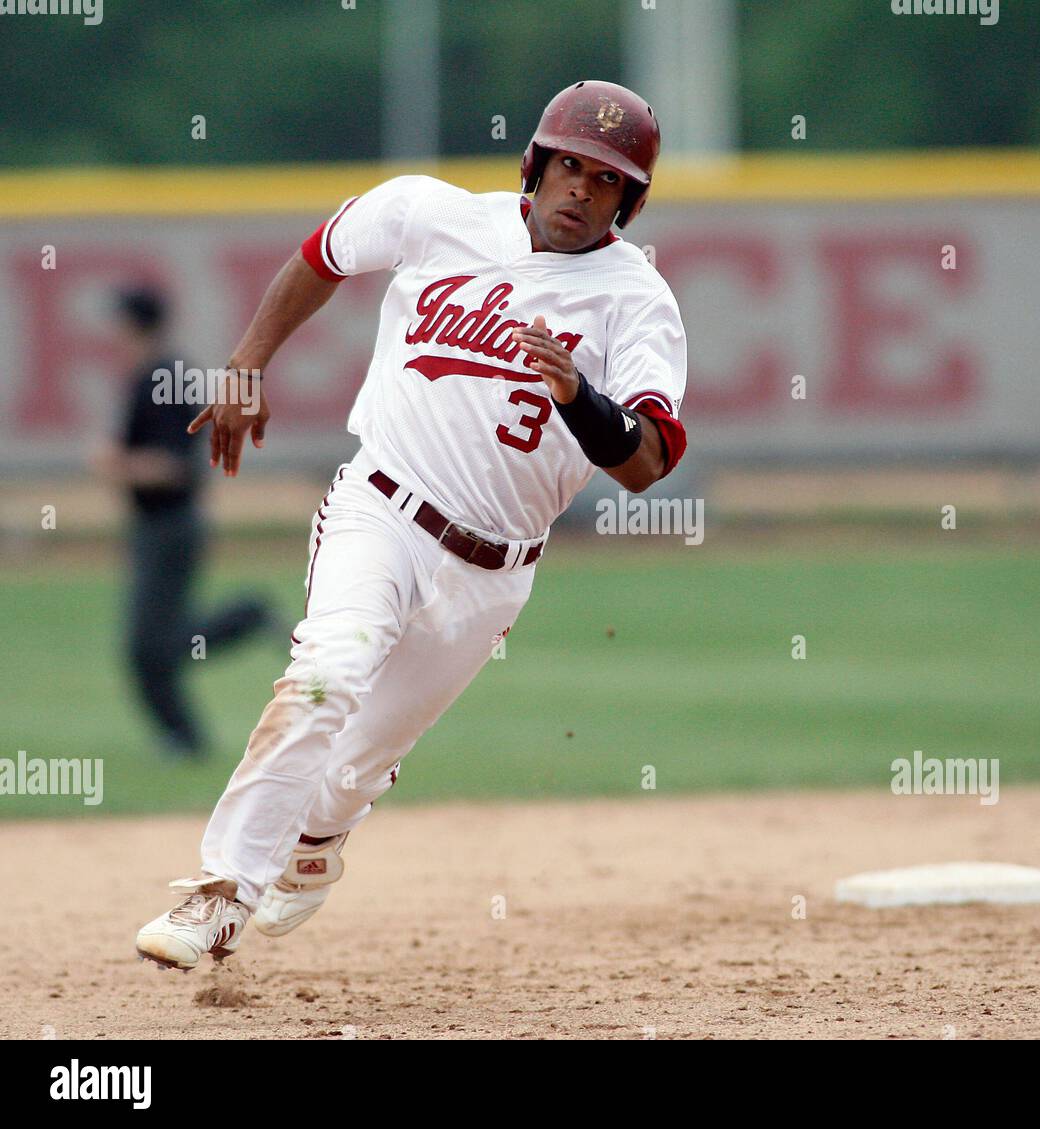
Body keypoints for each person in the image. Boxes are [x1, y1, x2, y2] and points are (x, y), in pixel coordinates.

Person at [135, 80, 688, 969]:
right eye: (569, 167)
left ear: (630, 198)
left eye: (606, 180)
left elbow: (649, 459)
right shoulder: (433, 214)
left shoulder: (636, 298)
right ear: (536, 164)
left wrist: (582, 399)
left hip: (492, 573)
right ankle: (220, 893)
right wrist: (246, 362)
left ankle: (316, 843)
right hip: (380, 507)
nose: (581, 190)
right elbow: (324, 253)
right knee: (326, 671)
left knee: (350, 768)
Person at [94, 286, 278, 760]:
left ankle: (247, 617)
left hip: (171, 526)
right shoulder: (155, 374)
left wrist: (118, 464)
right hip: (159, 526)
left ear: (131, 323)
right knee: (152, 646)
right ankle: (184, 738)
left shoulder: (162, 375)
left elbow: (176, 466)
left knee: (147, 648)